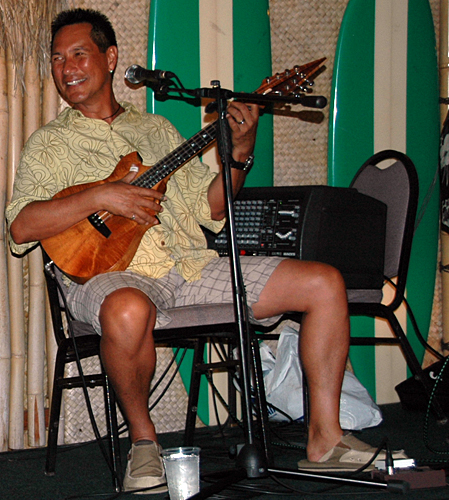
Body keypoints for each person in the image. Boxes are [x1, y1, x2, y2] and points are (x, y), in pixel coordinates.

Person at [6, 8, 404, 494]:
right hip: (105, 275)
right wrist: (100, 196)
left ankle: (324, 438)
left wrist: (241, 148)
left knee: (323, 282)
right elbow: (22, 226)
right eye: (57, 58)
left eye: (78, 54)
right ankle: (145, 446)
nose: (66, 68)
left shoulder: (157, 130)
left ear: (111, 59)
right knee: (127, 309)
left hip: (189, 266)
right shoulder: (49, 144)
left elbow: (213, 207)